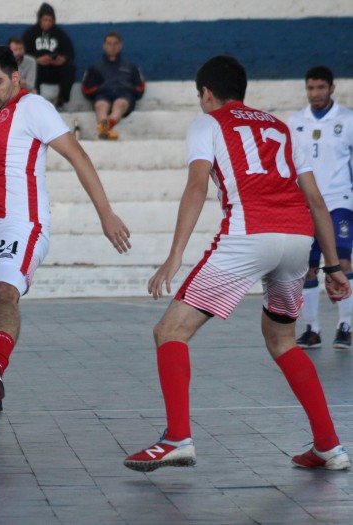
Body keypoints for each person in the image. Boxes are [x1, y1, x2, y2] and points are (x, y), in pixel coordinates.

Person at [123, 56, 351, 473]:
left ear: (206, 94)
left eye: (200, 97)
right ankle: (329, 446)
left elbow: (196, 185)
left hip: (249, 237)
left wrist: (174, 256)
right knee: (282, 339)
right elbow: (317, 200)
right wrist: (334, 268)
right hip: (298, 241)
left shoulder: (208, 123)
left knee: (170, 330)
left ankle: (177, 438)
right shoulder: (281, 127)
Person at [0, 46, 131, 414]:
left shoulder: (34, 108)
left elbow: (78, 156)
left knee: (3, 293)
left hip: (23, 224)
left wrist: (106, 213)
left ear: (16, 78)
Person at [287, 66, 353, 350]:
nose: (315, 94)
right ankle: (312, 328)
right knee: (308, 267)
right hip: (306, 203)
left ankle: (345, 325)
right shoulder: (294, 122)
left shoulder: (348, 120)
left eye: (320, 88)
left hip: (339, 200)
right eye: (310, 88)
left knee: (341, 258)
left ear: (331, 88)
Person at [81, 32, 145, 140]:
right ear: (104, 46)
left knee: (119, 104)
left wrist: (127, 87)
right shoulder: (95, 68)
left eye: (115, 43)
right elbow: (86, 89)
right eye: (109, 43)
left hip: (124, 95)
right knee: (101, 105)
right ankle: (107, 130)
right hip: (103, 95)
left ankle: (105, 127)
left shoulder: (131, 67)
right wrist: (101, 88)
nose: (112, 47)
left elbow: (140, 89)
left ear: (120, 46)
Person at [22, 3, 75, 109]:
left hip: (55, 69)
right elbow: (23, 55)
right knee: (32, 68)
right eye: (44, 20)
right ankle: (35, 100)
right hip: (39, 69)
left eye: (50, 20)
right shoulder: (30, 33)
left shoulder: (60, 34)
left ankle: (61, 100)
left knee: (70, 68)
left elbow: (70, 52)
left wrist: (63, 59)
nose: (47, 23)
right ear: (39, 19)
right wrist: (37, 60)